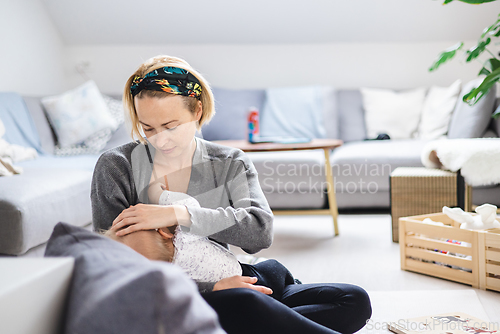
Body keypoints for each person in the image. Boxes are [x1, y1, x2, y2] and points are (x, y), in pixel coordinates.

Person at [91, 55, 372, 334]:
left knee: (355, 301)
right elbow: (118, 270)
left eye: (171, 126)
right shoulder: (117, 166)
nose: (159, 139)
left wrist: (181, 214)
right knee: (245, 305)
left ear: (197, 110)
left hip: (246, 279)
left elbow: (259, 233)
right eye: (147, 128)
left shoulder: (228, 162)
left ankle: (268, 323)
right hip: (200, 298)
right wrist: (209, 289)